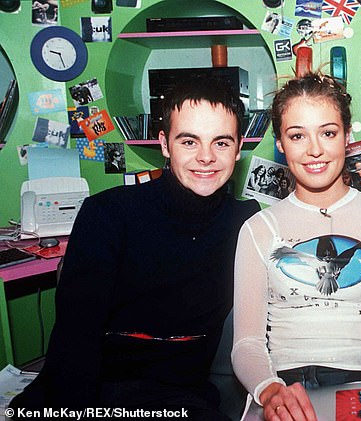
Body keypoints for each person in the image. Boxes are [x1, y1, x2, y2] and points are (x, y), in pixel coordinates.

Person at [9, 78, 260, 420]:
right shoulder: (107, 214)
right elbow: (75, 340)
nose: (206, 157)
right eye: (189, 141)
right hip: (92, 390)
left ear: (239, 147)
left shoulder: (246, 222)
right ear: (165, 145)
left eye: (221, 142)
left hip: (180, 398)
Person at [232, 73, 361, 421]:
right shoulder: (257, 229)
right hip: (284, 387)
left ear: (347, 136)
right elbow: (247, 344)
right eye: (297, 135)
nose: (315, 150)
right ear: (280, 143)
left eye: (328, 133)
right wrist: (270, 389)